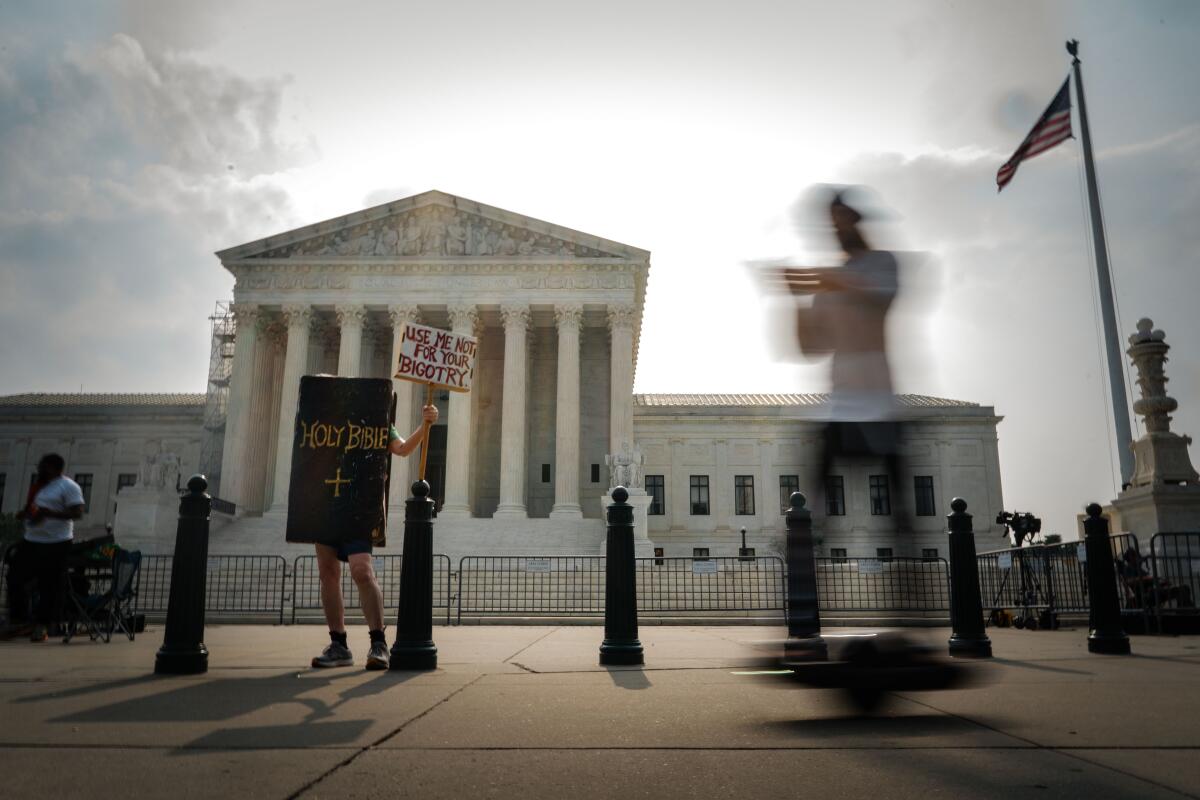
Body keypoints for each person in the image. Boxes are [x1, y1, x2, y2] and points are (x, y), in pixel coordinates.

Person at [774, 188, 910, 528]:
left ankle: (909, 566)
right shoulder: (828, 284)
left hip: (878, 397)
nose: (838, 231)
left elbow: (880, 297)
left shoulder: (883, 263)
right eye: (832, 225)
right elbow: (810, 348)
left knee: (900, 506)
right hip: (841, 400)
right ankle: (807, 559)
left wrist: (827, 280)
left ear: (856, 221)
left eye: (841, 222)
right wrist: (794, 300)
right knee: (814, 502)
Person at [311, 403, 439, 670]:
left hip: (359, 506)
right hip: (324, 503)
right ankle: (338, 644)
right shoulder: (318, 421)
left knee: (362, 570)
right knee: (327, 571)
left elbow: (402, 449)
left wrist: (425, 425)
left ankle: (378, 642)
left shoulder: (376, 419)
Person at [4, 453, 85, 641]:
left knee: (49, 585)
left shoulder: (69, 486)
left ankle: (43, 625)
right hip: (31, 540)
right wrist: (25, 514)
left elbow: (78, 512)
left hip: (56, 543)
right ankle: (19, 620)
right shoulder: (39, 487)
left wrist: (51, 513)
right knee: (14, 577)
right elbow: (35, 509)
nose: (38, 468)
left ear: (53, 468)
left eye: (42, 465)